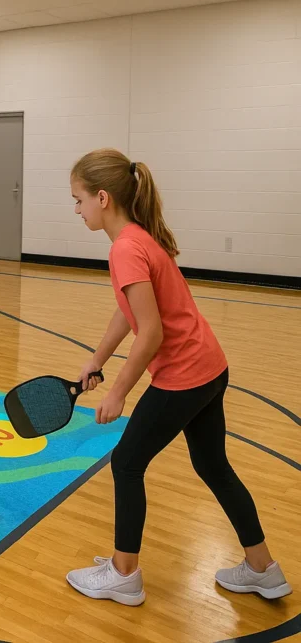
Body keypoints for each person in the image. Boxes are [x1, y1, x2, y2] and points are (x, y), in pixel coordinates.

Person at [65, 148, 291, 606]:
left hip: (183, 377)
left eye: (78, 199)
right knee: (213, 466)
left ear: (103, 198)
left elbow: (151, 333)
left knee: (127, 463)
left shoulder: (125, 249)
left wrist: (120, 392)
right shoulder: (137, 239)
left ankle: (124, 574)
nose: (76, 209)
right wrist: (97, 359)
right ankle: (264, 569)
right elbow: (129, 312)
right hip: (211, 368)